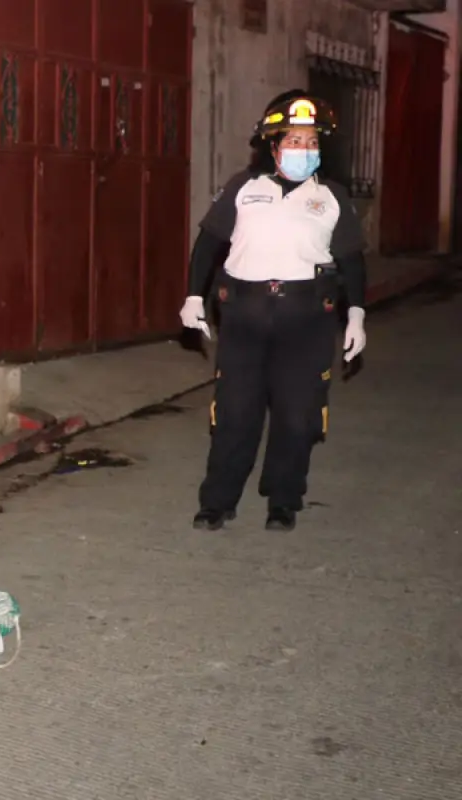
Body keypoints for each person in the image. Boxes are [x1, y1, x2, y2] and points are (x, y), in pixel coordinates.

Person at [179, 90, 368, 532]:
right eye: (295, 141)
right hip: (244, 315)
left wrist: (356, 313)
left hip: (306, 318)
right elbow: (208, 244)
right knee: (234, 414)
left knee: (298, 415)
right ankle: (217, 501)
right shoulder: (243, 189)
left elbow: (352, 261)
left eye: (312, 142)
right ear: (274, 144)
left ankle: (283, 499)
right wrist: (193, 297)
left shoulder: (332, 197)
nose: (304, 150)